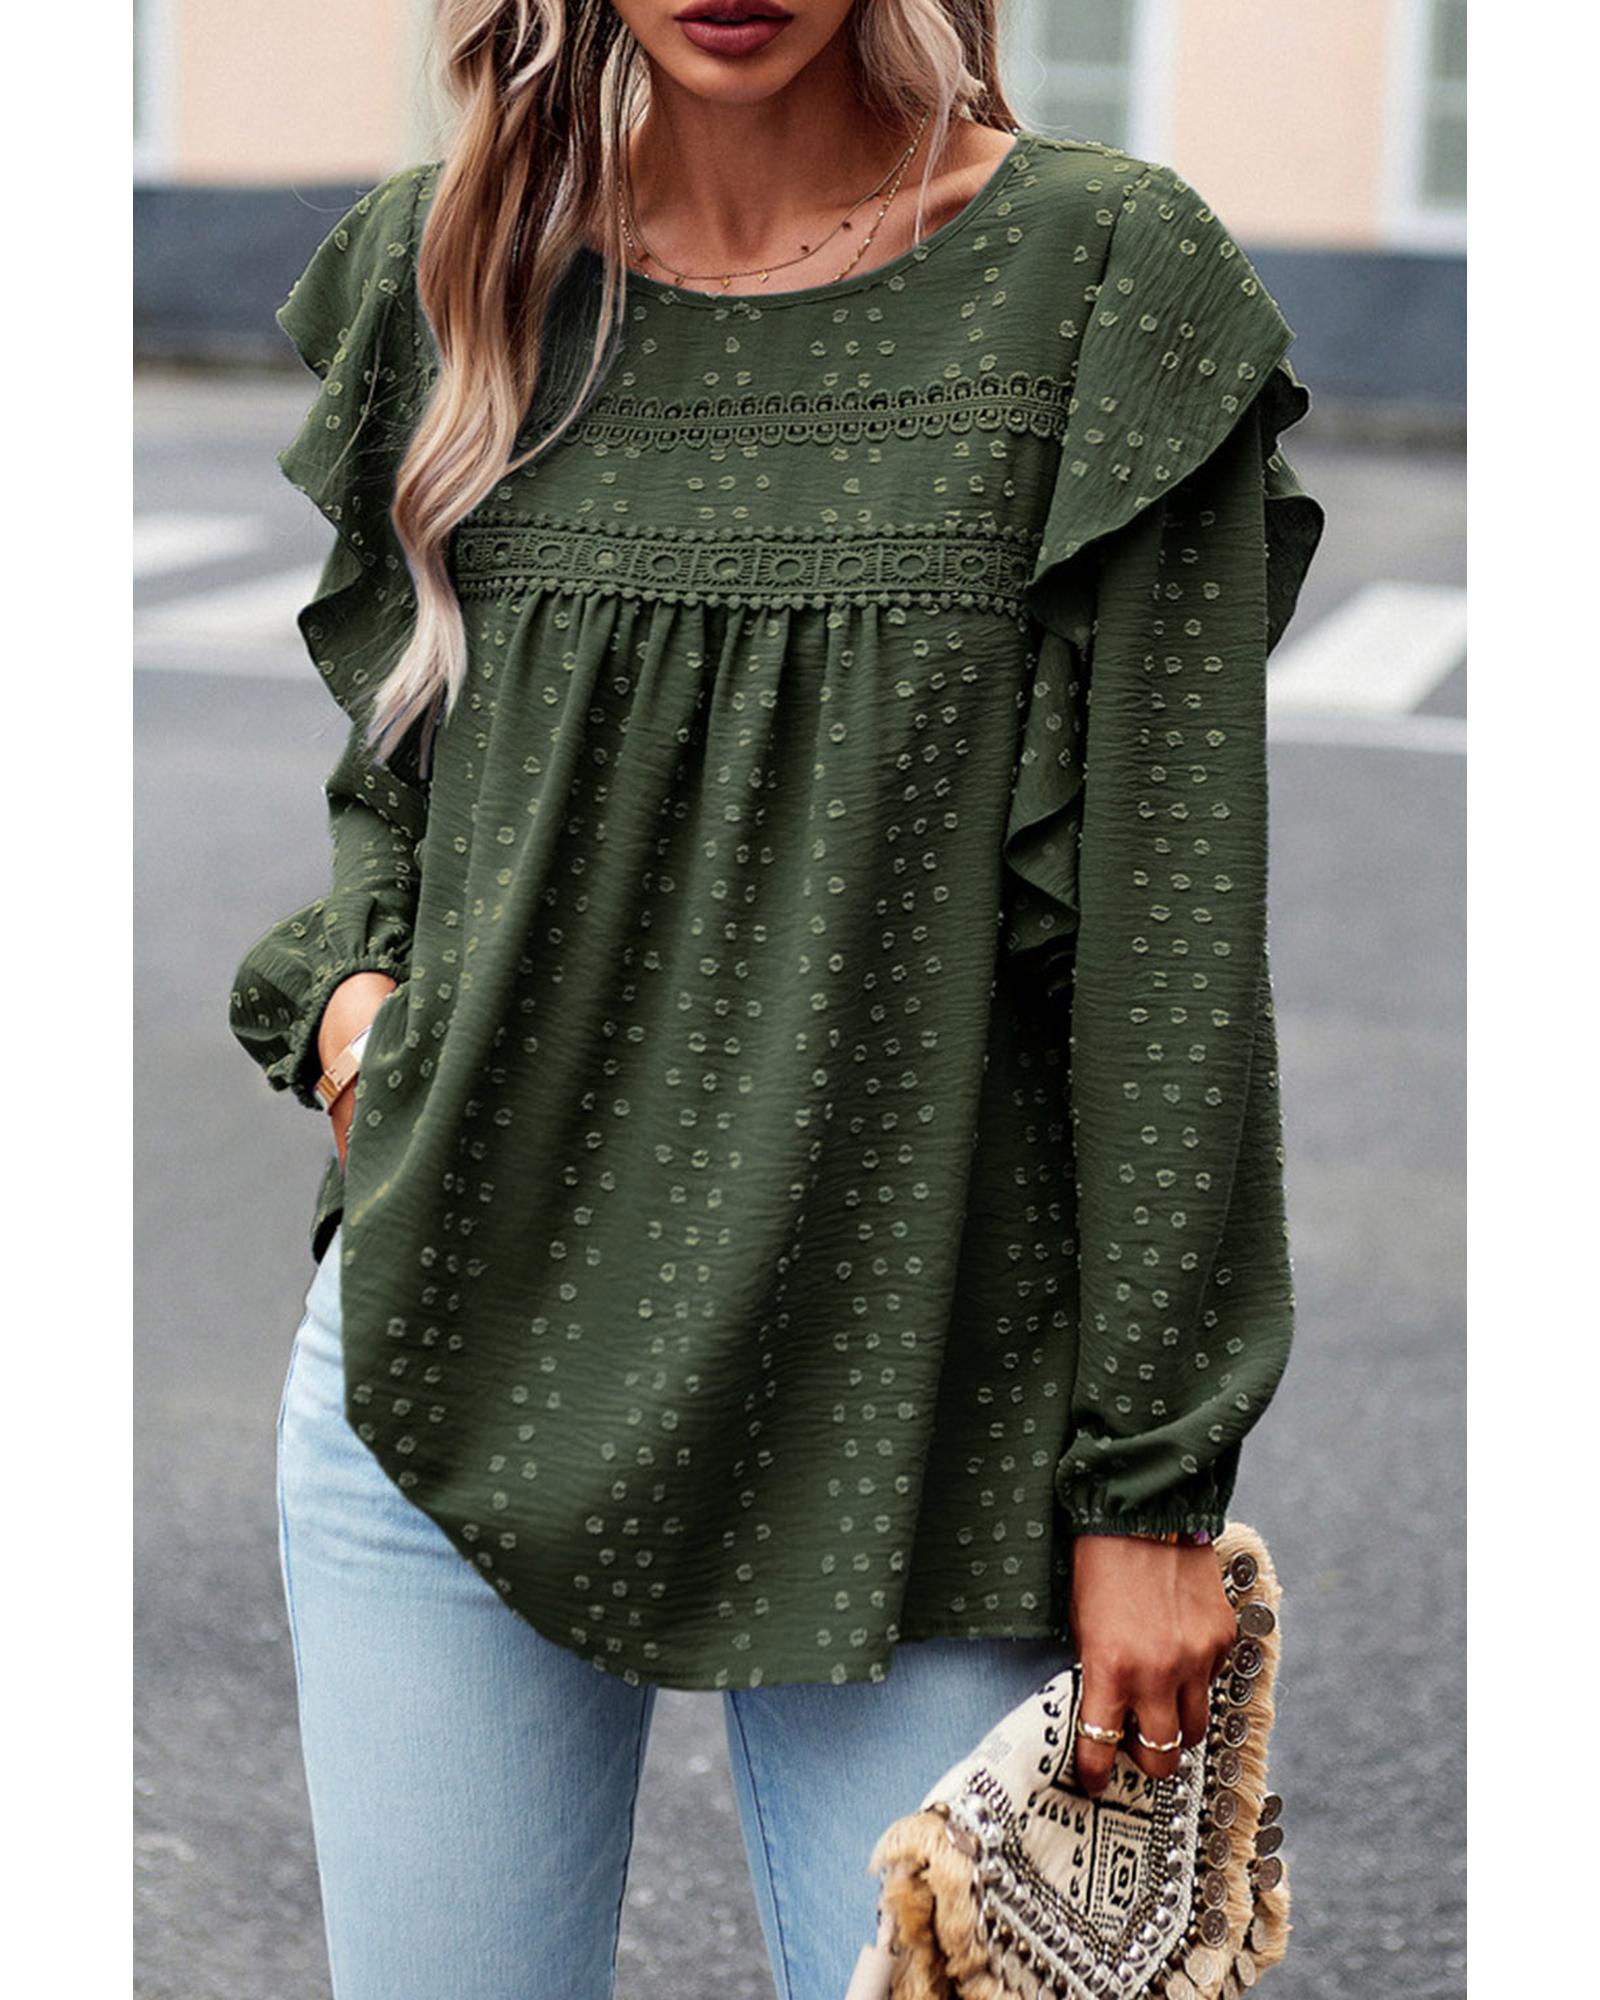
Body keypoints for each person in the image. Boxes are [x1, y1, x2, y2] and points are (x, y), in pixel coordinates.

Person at [226, 3, 1326, 1995]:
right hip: (452, 1331)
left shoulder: (1097, 276)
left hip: (926, 1390)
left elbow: (1166, 939)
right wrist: (356, 999)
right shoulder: (452, 263)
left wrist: (1153, 1493)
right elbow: (403, 754)